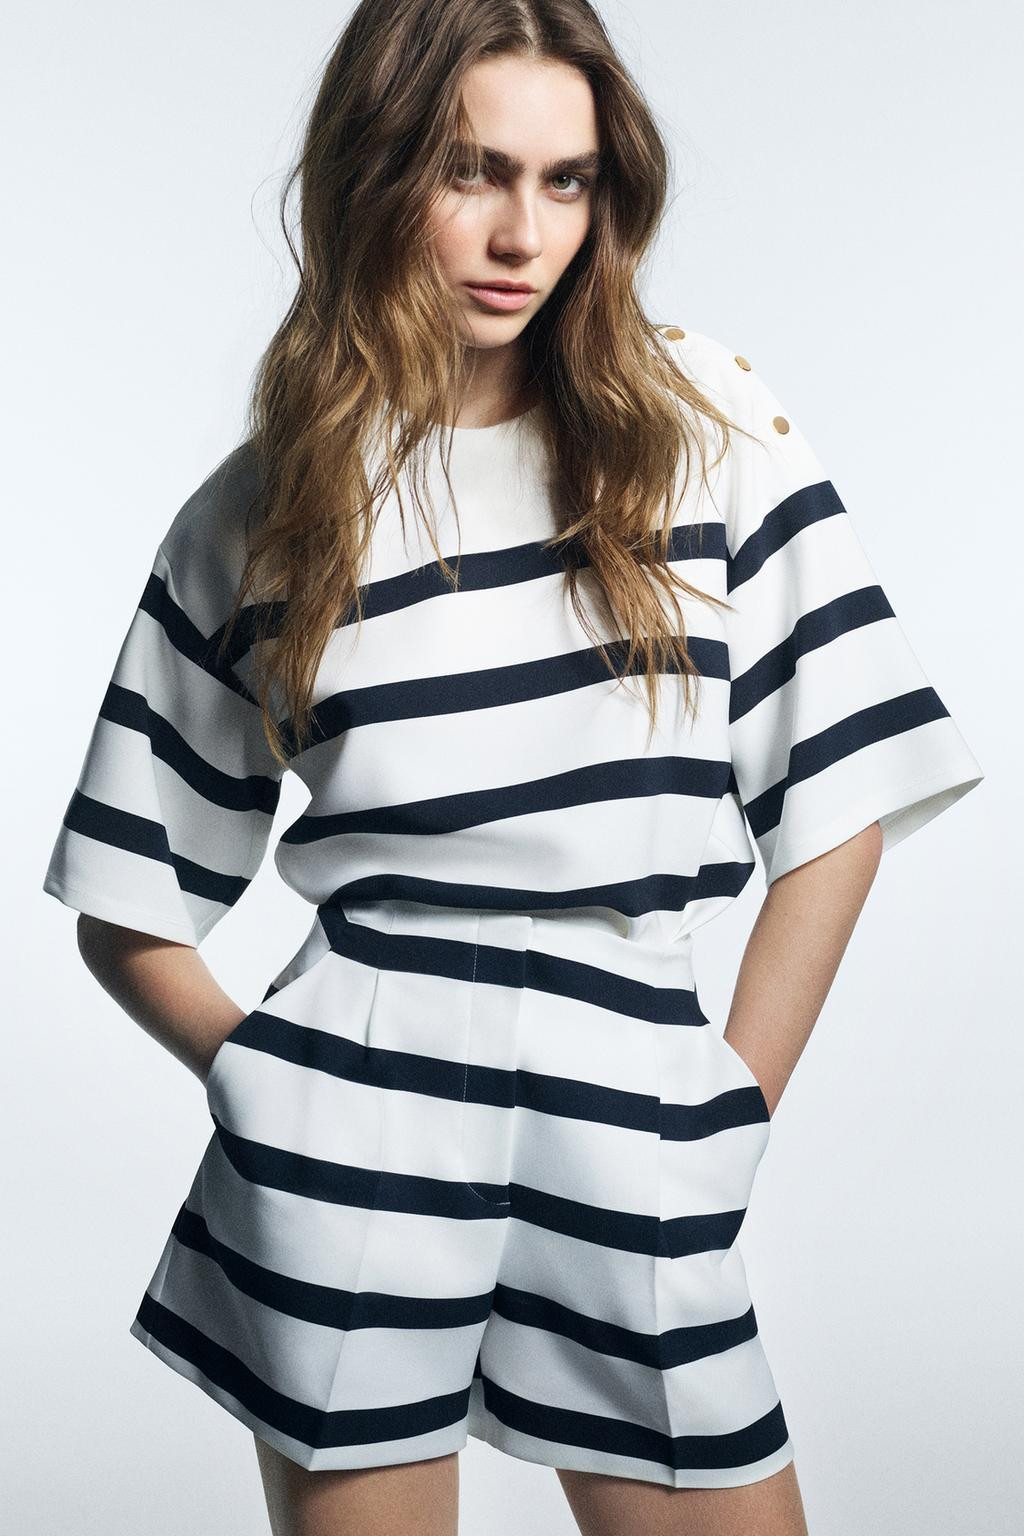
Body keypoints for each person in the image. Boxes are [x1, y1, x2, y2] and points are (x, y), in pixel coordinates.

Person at [41, 2, 985, 1533]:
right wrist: (266, 1086)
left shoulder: (709, 433)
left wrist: (729, 1107)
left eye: (566, 181)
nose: (520, 234)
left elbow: (840, 807)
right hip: (347, 1149)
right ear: (375, 173)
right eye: (471, 171)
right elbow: (126, 896)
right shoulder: (269, 508)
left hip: (634, 1120)